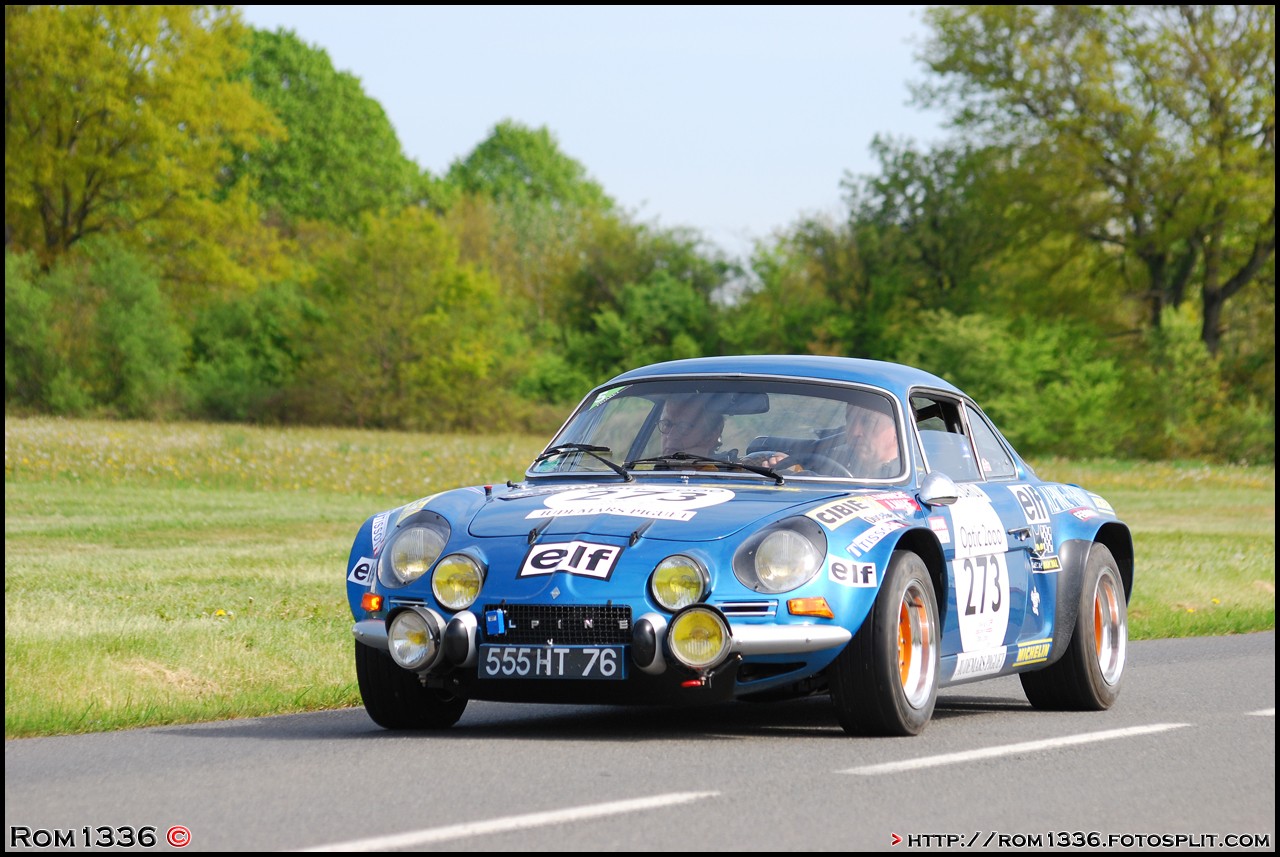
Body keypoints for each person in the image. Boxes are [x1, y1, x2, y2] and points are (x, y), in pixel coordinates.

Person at [749, 398, 901, 478]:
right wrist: (791, 468)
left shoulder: (907, 479)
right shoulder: (830, 460)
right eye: (849, 420)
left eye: (869, 422)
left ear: (897, 430)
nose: (854, 431)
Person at [659, 397, 725, 458]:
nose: (670, 436)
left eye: (683, 427)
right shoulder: (654, 466)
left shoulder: (721, 467)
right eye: (667, 424)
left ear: (710, 438)